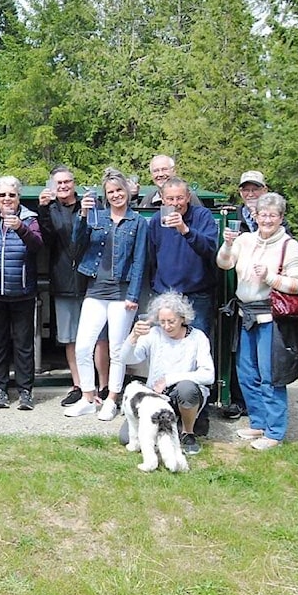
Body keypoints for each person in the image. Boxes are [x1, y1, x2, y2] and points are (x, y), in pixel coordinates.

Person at [217, 192, 298, 451]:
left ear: (281, 218)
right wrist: (226, 245)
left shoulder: (289, 245)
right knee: (246, 374)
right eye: (262, 214)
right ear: (255, 216)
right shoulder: (245, 239)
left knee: (270, 376)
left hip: (271, 319)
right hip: (245, 316)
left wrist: (271, 278)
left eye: (272, 215)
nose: (266, 219)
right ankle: (258, 422)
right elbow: (224, 264)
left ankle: (275, 432)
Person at [64, 168, 148, 420]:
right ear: (105, 195)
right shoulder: (96, 217)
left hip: (121, 293)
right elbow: (76, 243)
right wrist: (83, 214)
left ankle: (112, 398)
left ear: (128, 192)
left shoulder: (138, 222)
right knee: (83, 347)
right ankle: (89, 398)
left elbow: (139, 261)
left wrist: (133, 295)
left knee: (118, 351)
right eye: (110, 192)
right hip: (95, 289)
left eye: (119, 190)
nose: (115, 195)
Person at [37, 165, 109, 407]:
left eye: (68, 181)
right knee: (71, 337)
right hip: (63, 280)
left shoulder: (89, 204)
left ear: (74, 183)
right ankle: (79, 385)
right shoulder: (50, 209)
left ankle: (104, 386)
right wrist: (43, 210)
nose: (64, 186)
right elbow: (45, 240)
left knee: (99, 336)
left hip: (92, 280)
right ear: (52, 186)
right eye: (59, 183)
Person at [119, 292, 215, 455]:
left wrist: (170, 379)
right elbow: (127, 359)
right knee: (126, 438)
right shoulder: (153, 334)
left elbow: (208, 375)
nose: (166, 326)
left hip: (183, 394)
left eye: (171, 321)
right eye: (162, 321)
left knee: (187, 388)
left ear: (182, 318)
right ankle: (165, 429)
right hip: (156, 396)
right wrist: (133, 337)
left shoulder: (198, 337)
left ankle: (187, 433)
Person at [0, 176, 44, 410]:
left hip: (23, 294)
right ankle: (1, 391)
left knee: (23, 345)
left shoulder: (30, 219)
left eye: (11, 195)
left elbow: (37, 245)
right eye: (2, 195)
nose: (7, 199)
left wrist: (21, 228)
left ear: (19, 197)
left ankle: (25, 391)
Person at [147, 176, 219, 338]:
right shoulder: (156, 220)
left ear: (188, 197)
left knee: (197, 345)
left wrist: (185, 230)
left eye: (179, 198)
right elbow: (152, 257)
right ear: (163, 199)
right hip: (166, 294)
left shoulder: (202, 216)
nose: (175, 203)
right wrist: (156, 284)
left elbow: (210, 248)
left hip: (197, 294)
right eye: (170, 199)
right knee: (165, 345)